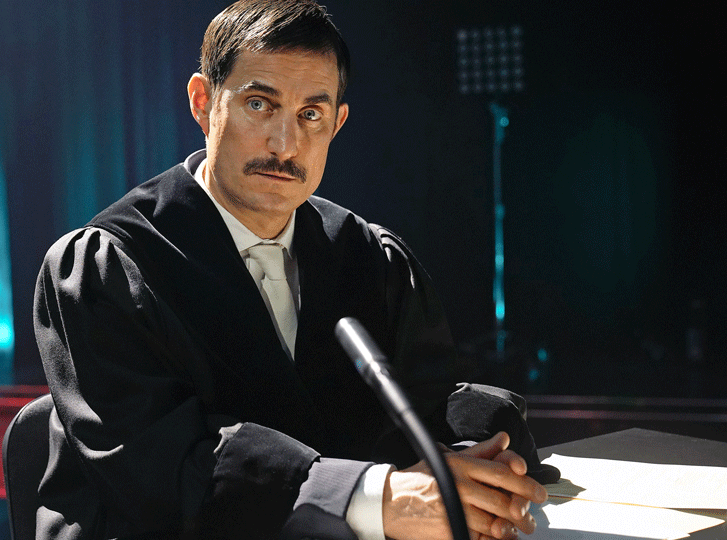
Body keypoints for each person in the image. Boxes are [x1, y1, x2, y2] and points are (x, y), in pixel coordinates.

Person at [33, 1, 557, 539]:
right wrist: (374, 497)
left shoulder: (369, 258)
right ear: (202, 102)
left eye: (311, 115)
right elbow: (160, 475)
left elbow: (424, 402)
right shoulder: (109, 267)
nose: (285, 145)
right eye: (259, 104)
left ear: (337, 124)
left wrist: (468, 460)